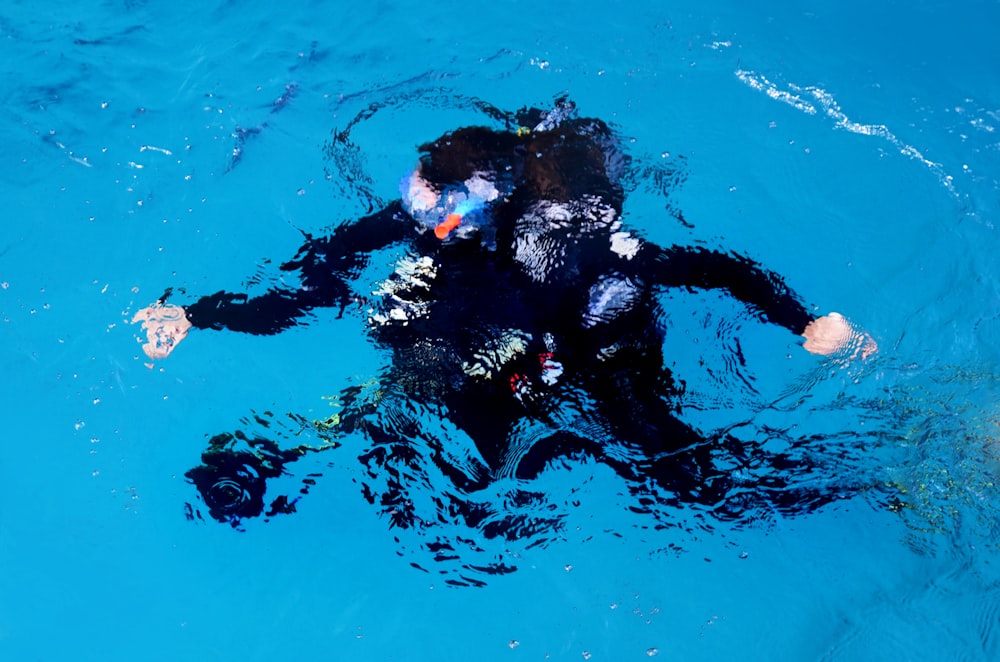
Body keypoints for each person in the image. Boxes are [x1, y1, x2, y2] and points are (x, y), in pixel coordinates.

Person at [133, 100, 877, 535]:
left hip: (595, 350)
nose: (420, 218)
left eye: (437, 208)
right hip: (488, 344)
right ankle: (291, 453)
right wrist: (200, 315)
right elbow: (317, 280)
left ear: (486, 209)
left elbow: (712, 267)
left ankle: (861, 479)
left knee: (669, 468)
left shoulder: (574, 244)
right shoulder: (432, 226)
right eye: (418, 201)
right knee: (423, 376)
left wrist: (805, 322)